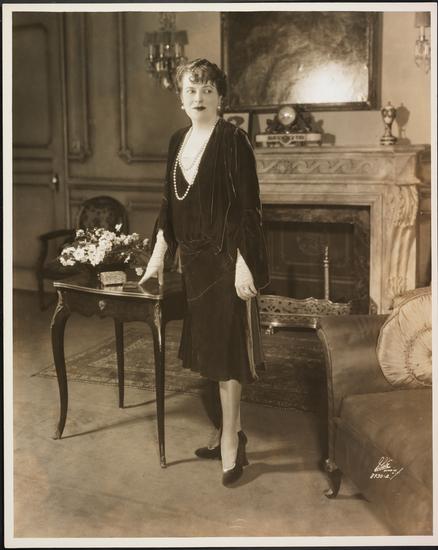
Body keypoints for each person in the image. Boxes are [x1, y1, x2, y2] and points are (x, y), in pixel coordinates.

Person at [139, 58, 269, 486]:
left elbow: (249, 209)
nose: (199, 97)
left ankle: (230, 442)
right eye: (191, 90)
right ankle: (230, 432)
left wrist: (244, 265)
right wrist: (157, 261)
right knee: (212, 354)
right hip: (194, 265)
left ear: (220, 98)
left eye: (207, 90)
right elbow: (168, 207)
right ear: (181, 98)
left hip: (227, 263)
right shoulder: (177, 141)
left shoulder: (233, 140)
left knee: (228, 356)